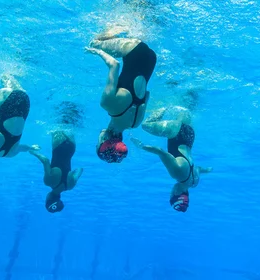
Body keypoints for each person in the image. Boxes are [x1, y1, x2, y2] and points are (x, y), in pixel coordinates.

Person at [85, 27, 157, 163]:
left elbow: (147, 95)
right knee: (94, 42)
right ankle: (120, 25)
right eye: (97, 144)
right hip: (134, 50)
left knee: (139, 30)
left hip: (151, 60)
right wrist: (97, 52)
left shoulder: (135, 123)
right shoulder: (108, 104)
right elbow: (114, 64)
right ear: (104, 140)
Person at [131, 106, 212, 212]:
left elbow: (199, 169)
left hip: (190, 136)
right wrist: (142, 146)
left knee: (187, 105)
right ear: (176, 194)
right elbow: (161, 152)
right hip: (177, 133)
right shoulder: (177, 174)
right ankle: (165, 106)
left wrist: (208, 170)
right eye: (170, 194)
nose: (171, 191)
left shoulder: (193, 182)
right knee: (146, 125)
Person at [29, 130, 83, 213]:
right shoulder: (49, 182)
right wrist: (33, 152)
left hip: (71, 147)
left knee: (73, 123)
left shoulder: (70, 186)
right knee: (58, 122)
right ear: (48, 199)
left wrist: (70, 174)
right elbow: (45, 160)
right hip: (58, 144)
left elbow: (80, 169)